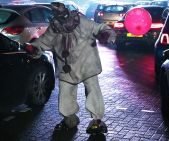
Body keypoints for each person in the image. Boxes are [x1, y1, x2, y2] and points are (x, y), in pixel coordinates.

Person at [23, 2, 116, 134]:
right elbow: (44, 41)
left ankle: (97, 121)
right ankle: (69, 118)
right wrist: (34, 48)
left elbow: (100, 27)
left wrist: (106, 34)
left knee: (93, 90)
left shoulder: (82, 22)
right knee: (65, 93)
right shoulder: (55, 27)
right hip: (67, 67)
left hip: (87, 63)